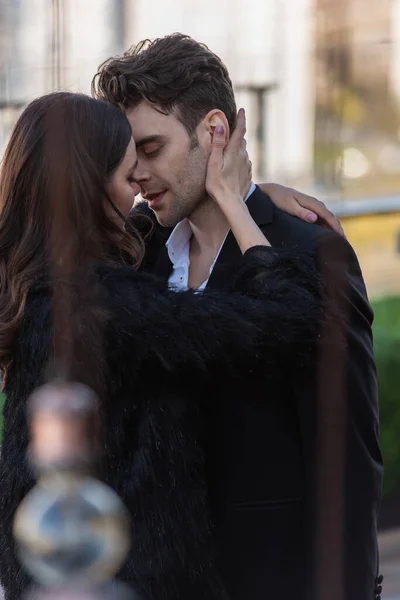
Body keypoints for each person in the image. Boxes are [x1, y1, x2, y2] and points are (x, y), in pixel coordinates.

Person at [0, 92, 334, 600]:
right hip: (129, 580)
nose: (137, 191)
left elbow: (133, 231)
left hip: (46, 568)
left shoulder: (37, 284)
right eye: (127, 175)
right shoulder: (107, 303)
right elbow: (291, 321)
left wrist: (248, 196)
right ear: (89, 188)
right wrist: (236, 204)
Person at [93, 33, 384, 600]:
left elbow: (348, 452)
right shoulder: (138, 253)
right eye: (130, 159)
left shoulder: (307, 252)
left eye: (152, 150)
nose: (138, 176)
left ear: (215, 131)